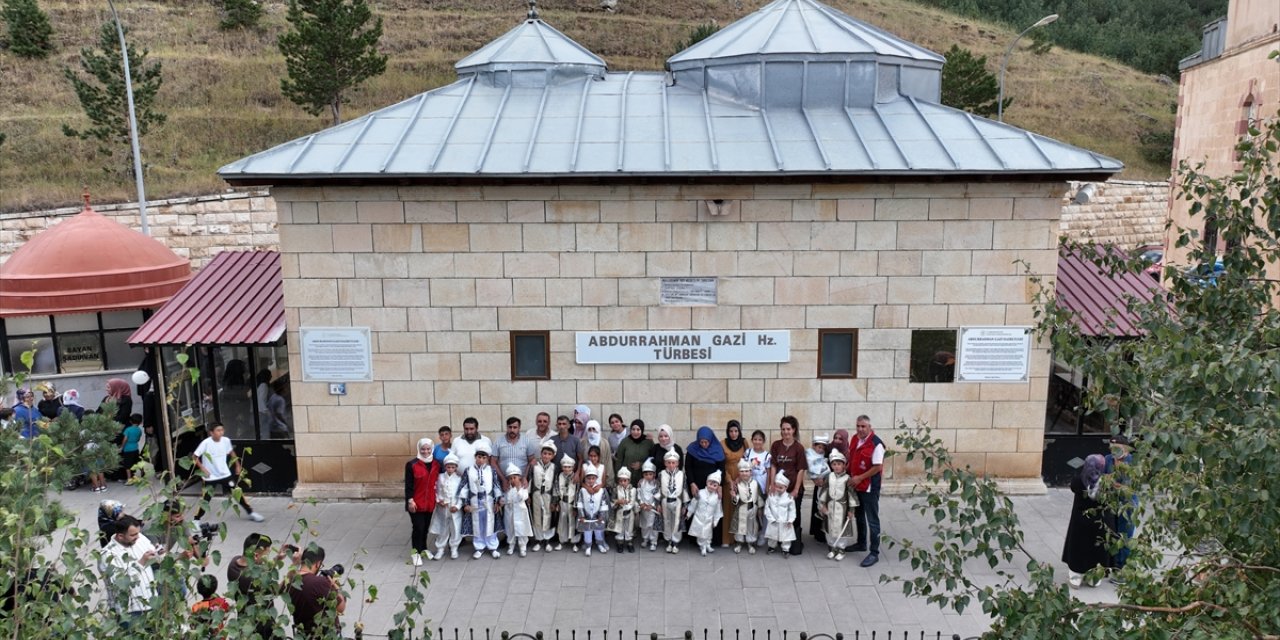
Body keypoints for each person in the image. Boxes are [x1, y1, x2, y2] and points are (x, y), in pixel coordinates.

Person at [190, 422, 265, 523]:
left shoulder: (226, 441)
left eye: (222, 430)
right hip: (210, 477)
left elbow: (231, 452)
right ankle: (196, 520)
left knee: (237, 493)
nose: (221, 432)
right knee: (206, 499)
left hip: (225, 474)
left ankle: (251, 512)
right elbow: (194, 457)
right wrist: (203, 469)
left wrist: (238, 465)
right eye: (218, 430)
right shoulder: (205, 443)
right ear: (211, 433)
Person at [1062, 454, 1113, 587]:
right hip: (1100, 523)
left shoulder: (1079, 481)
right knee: (1098, 548)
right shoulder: (1106, 483)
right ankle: (1094, 577)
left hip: (1081, 521)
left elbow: (1073, 487)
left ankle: (1076, 575)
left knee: (1079, 546)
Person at [100, 515, 158, 625]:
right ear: (121, 536)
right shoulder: (107, 554)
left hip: (151, 603)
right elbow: (119, 583)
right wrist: (141, 562)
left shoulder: (139, 538)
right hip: (130, 612)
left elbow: (154, 551)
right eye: (133, 535)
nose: (138, 537)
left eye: (138, 533)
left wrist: (158, 553)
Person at [227, 532, 281, 640]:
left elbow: (259, 568)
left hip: (244, 622)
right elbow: (277, 590)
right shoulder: (253, 579)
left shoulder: (233, 564)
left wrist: (276, 559)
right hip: (261, 626)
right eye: (266, 555)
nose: (267, 559)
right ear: (256, 555)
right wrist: (292, 573)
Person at [287, 544, 346, 640]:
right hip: (324, 635)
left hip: (302, 635)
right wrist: (334, 586)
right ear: (318, 564)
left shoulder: (290, 580)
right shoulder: (320, 583)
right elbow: (340, 608)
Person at [850, 415, 885, 567]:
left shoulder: (876, 444)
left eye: (863, 426)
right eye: (858, 426)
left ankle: (874, 552)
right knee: (859, 515)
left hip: (869, 487)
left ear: (869, 427)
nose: (860, 429)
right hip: (856, 485)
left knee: (872, 519)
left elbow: (877, 467)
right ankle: (861, 543)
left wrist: (859, 478)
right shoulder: (854, 439)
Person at [768, 416, 808, 543]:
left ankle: (795, 541)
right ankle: (780, 539)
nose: (786, 432)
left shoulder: (799, 448)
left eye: (788, 429)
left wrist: (796, 489)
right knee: (779, 514)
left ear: (794, 430)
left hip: (793, 488)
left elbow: (801, 469)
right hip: (779, 488)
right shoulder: (776, 445)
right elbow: (774, 465)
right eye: (783, 429)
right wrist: (772, 484)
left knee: (793, 515)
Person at [460, 441, 502, 559]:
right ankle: (479, 547)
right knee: (478, 525)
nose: (481, 460)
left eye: (484, 457)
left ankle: (492, 546)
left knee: (490, 524)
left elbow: (496, 486)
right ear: (475, 457)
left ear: (487, 458)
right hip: (475, 502)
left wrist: (497, 501)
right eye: (479, 457)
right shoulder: (468, 471)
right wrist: (465, 504)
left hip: (488, 502)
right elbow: (464, 487)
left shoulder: (491, 470)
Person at [685, 425, 725, 547]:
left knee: (712, 511)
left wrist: (719, 486)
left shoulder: (718, 450)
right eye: (701, 442)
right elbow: (688, 467)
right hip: (697, 485)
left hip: (713, 486)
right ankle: (695, 540)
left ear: (711, 440)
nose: (703, 444)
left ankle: (712, 540)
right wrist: (692, 483)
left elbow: (722, 469)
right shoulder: (692, 449)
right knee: (697, 510)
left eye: (706, 442)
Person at [1104, 434, 1138, 579]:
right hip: (1111, 502)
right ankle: (1110, 563)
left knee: (1125, 534)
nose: (1113, 450)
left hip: (1128, 504)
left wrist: (1112, 482)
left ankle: (1122, 566)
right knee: (1111, 533)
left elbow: (1129, 487)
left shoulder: (1132, 462)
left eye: (1116, 447)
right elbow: (1103, 477)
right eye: (1111, 447)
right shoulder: (1108, 459)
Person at [405, 437, 437, 565]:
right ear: (419, 449)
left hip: (429, 502)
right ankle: (415, 553)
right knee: (418, 527)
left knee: (425, 528)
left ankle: (423, 549)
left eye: (428, 449)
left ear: (432, 449)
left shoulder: (435, 464)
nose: (425, 452)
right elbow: (409, 484)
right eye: (423, 449)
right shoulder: (412, 464)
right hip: (415, 503)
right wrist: (410, 500)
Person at [820, 450, 857, 561]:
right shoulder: (829, 477)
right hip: (830, 507)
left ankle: (841, 549)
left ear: (844, 465)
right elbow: (824, 491)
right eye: (834, 464)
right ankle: (832, 548)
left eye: (839, 464)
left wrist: (851, 510)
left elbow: (851, 495)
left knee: (842, 529)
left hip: (843, 509)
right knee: (830, 528)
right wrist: (822, 504)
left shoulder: (847, 479)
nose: (836, 467)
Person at [430, 453, 464, 560]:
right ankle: (440, 548)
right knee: (443, 528)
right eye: (448, 467)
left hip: (454, 508)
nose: (450, 469)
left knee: (455, 528)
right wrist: (438, 500)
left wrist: (458, 506)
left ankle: (454, 547)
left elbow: (462, 494)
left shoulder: (459, 479)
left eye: (453, 467)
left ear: (456, 468)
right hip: (443, 507)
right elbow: (436, 490)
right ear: (445, 467)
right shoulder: (440, 477)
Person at [720, 420, 748, 547]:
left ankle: (739, 538)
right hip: (728, 478)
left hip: (742, 477)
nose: (733, 434)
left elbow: (748, 460)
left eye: (736, 431)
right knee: (728, 508)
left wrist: (739, 478)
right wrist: (730, 480)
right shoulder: (723, 443)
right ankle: (727, 539)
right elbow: (722, 464)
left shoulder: (744, 442)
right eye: (731, 431)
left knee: (740, 508)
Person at [529, 442, 558, 552]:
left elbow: (555, 484)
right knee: (537, 517)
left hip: (548, 495)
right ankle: (538, 540)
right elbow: (530, 481)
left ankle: (547, 540)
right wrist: (528, 496)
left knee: (548, 516)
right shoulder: (534, 466)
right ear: (541, 454)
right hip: (536, 494)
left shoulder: (554, 467)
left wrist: (554, 501)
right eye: (544, 453)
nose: (546, 456)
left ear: (553, 456)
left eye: (549, 454)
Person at [576, 463, 610, 556]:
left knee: (599, 531)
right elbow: (580, 503)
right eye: (588, 478)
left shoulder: (601, 491)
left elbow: (603, 504)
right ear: (585, 478)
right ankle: (588, 546)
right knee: (587, 532)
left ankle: (600, 544)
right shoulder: (582, 490)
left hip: (597, 516)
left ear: (596, 478)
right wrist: (582, 515)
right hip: (587, 516)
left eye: (593, 478)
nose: (591, 480)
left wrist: (601, 515)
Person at [688, 470, 723, 556]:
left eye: (715, 485)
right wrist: (689, 513)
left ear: (718, 487)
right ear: (707, 482)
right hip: (699, 517)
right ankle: (702, 546)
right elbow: (694, 503)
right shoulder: (700, 493)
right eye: (710, 484)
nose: (712, 487)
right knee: (701, 533)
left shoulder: (717, 497)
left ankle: (708, 544)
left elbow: (718, 509)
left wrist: (716, 520)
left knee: (708, 533)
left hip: (709, 518)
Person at [658, 449, 687, 553]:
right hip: (665, 501)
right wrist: (658, 503)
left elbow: (685, 489)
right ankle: (668, 540)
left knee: (676, 522)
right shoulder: (661, 474)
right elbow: (658, 488)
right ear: (665, 463)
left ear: (677, 463)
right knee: (666, 520)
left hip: (677, 501)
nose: (671, 465)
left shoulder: (682, 475)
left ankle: (675, 541)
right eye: (668, 462)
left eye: (673, 462)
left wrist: (685, 505)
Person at [729, 459, 761, 554]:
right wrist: (734, 497)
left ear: (751, 472)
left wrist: (759, 508)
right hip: (742, 508)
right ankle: (739, 543)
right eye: (742, 471)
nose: (744, 473)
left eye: (746, 471)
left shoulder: (755, 483)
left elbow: (758, 496)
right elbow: (736, 498)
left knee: (751, 526)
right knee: (740, 527)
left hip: (753, 508)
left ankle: (750, 543)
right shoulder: (737, 484)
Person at [496, 416, 537, 490]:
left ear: (519, 428)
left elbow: (532, 460)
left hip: (521, 482)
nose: (512, 430)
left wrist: (525, 477)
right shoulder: (499, 441)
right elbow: (493, 462)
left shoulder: (527, 441)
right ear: (507, 427)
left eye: (515, 427)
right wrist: (503, 479)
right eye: (510, 427)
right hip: (505, 482)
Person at [807, 434, 832, 545]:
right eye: (819, 447)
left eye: (823, 448)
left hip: (829, 483)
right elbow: (812, 467)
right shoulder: (810, 454)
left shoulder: (825, 455)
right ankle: (819, 531)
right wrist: (816, 477)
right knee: (820, 500)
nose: (821, 450)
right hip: (820, 481)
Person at [503, 463, 533, 556]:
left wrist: (518, 488)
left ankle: (522, 546)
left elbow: (522, 497)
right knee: (510, 528)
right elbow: (505, 499)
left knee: (521, 529)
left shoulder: (523, 487)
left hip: (520, 511)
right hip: (510, 511)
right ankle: (511, 545)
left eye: (514, 478)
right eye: (510, 478)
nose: (513, 480)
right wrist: (502, 501)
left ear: (519, 477)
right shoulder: (508, 488)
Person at [764, 472, 797, 556]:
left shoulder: (789, 498)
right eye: (776, 486)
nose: (778, 489)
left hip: (784, 521)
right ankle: (771, 546)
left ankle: (785, 549)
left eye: (780, 488)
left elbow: (792, 510)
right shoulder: (771, 496)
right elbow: (767, 508)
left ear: (786, 487)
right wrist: (771, 518)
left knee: (786, 537)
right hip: (773, 520)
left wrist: (790, 520)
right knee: (772, 535)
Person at [554, 456, 580, 551]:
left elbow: (577, 492)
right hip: (562, 502)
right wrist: (556, 502)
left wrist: (575, 507)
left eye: (569, 467)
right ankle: (562, 541)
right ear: (562, 467)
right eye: (565, 467)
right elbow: (556, 489)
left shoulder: (575, 477)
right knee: (562, 522)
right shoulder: (559, 476)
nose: (567, 469)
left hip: (572, 503)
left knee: (572, 522)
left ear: (573, 468)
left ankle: (574, 542)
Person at [609, 467, 637, 553]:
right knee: (620, 528)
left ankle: (629, 543)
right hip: (620, 512)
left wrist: (629, 505)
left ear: (629, 480)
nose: (623, 483)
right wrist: (618, 501)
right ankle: (620, 543)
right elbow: (612, 501)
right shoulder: (616, 490)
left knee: (629, 528)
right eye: (621, 481)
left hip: (629, 512)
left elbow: (634, 501)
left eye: (625, 480)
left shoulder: (633, 490)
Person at [636, 459, 661, 552]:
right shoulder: (641, 483)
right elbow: (638, 493)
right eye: (646, 474)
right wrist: (641, 503)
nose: (648, 476)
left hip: (652, 508)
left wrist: (653, 505)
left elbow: (658, 495)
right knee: (644, 525)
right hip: (643, 507)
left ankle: (653, 541)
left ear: (654, 474)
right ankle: (645, 538)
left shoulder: (656, 484)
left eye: (650, 474)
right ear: (643, 475)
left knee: (653, 526)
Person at [580, 420, 615, 485]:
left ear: (598, 430)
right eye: (589, 429)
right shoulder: (583, 442)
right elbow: (581, 459)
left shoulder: (604, 443)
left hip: (602, 474)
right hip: (588, 476)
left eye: (594, 429)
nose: (592, 432)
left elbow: (608, 460)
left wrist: (607, 475)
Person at [120, 414, 145, 482]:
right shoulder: (139, 430)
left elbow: (125, 439)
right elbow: (138, 439)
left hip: (127, 449)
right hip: (135, 448)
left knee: (127, 465)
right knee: (137, 461)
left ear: (130, 421)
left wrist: (121, 447)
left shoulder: (128, 429)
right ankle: (142, 471)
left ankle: (129, 479)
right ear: (140, 422)